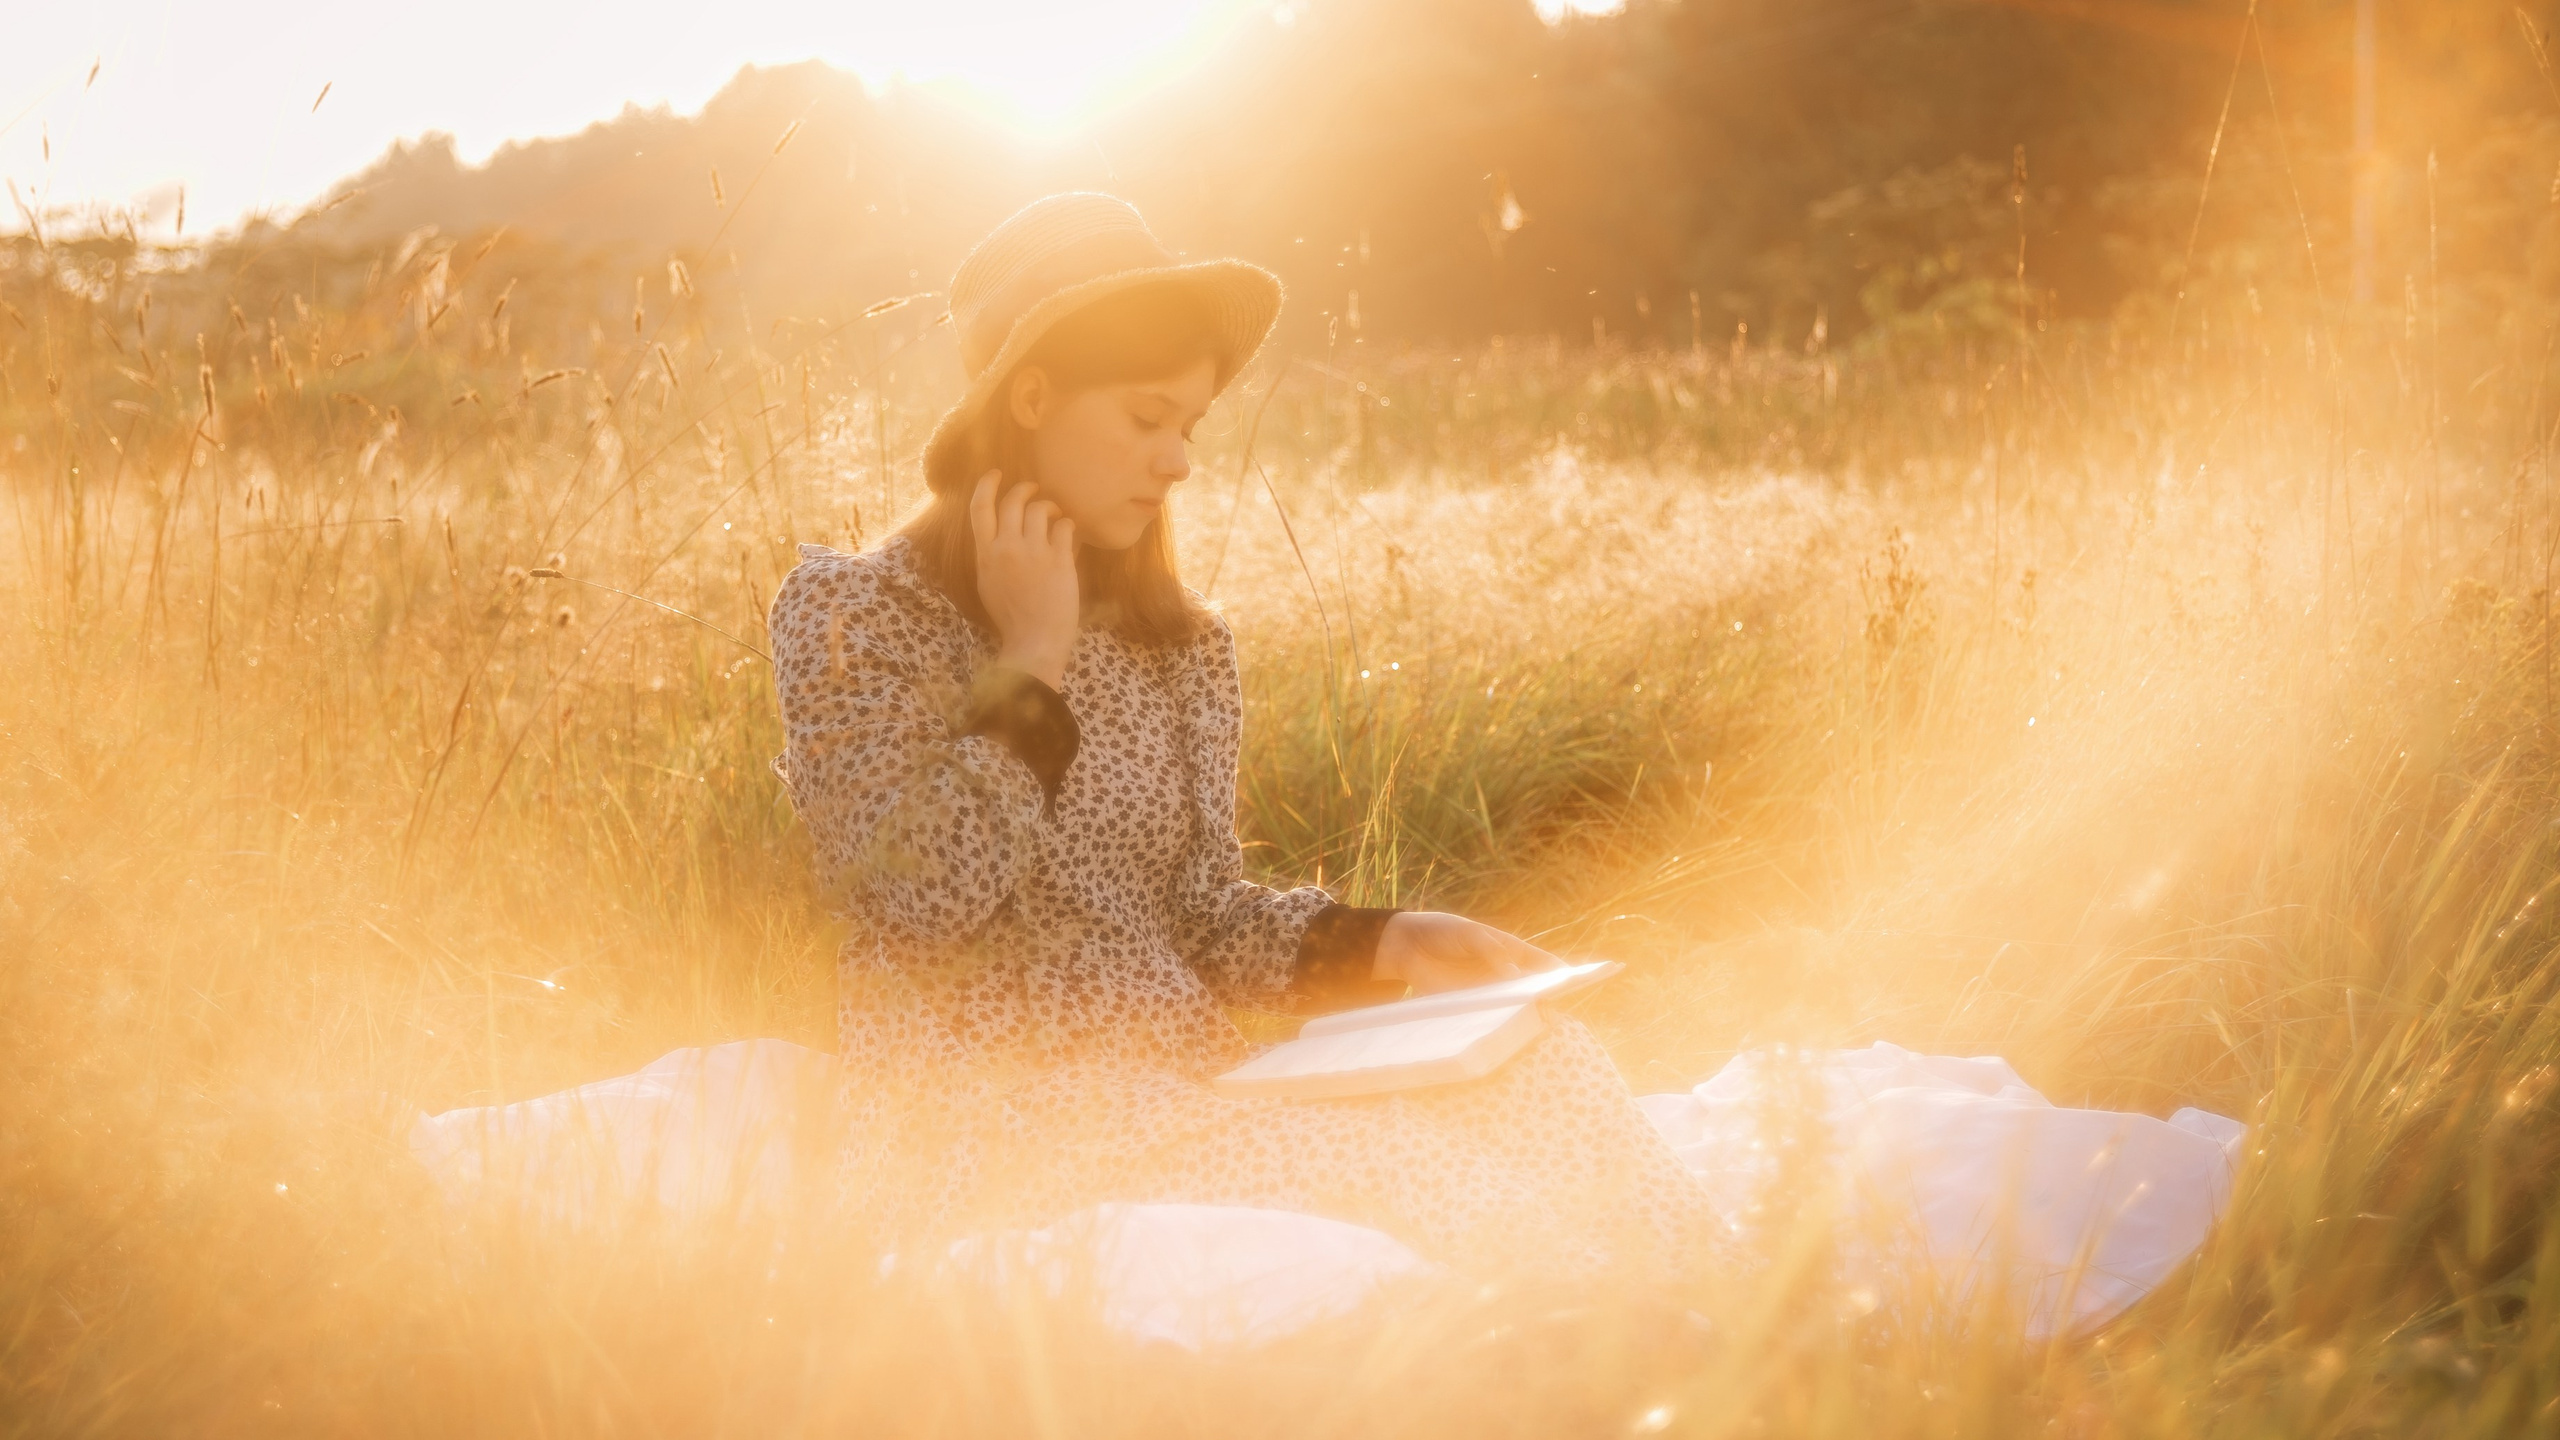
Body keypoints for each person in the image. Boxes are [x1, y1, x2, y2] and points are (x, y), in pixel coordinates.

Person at [767, 193, 1726, 1284]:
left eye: (1190, 425)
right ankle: (1640, 1354)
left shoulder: (1180, 644)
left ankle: (1776, 1335)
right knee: (1416, 1169)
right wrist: (1031, 662)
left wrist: (1385, 942)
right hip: (994, 1118)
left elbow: (1202, 914)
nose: (1177, 460)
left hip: (1184, 1087)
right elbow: (915, 900)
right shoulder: (852, 614)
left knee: (1544, 1063)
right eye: (1144, 418)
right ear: (1030, 397)